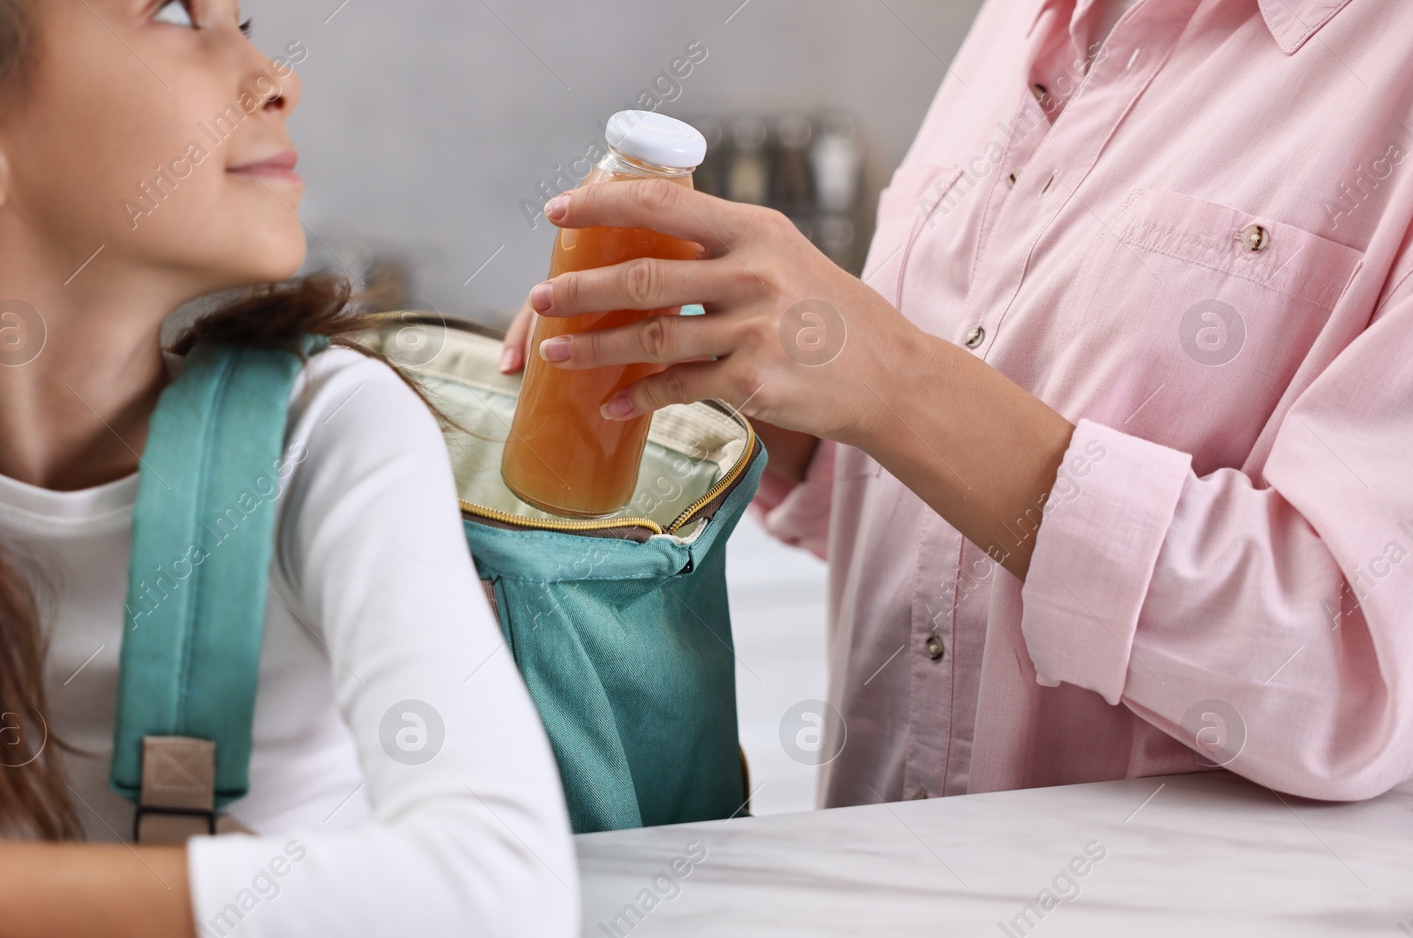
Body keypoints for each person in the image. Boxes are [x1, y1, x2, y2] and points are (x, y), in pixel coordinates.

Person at [0, 1, 578, 938]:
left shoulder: (328, 440)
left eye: (242, 17)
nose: (275, 76)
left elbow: (503, 924)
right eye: (177, 14)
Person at [500, 0, 1413, 805]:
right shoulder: (1022, 22)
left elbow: (1351, 669)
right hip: (877, 923)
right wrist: (724, 365)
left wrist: (893, 381)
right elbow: (930, 527)